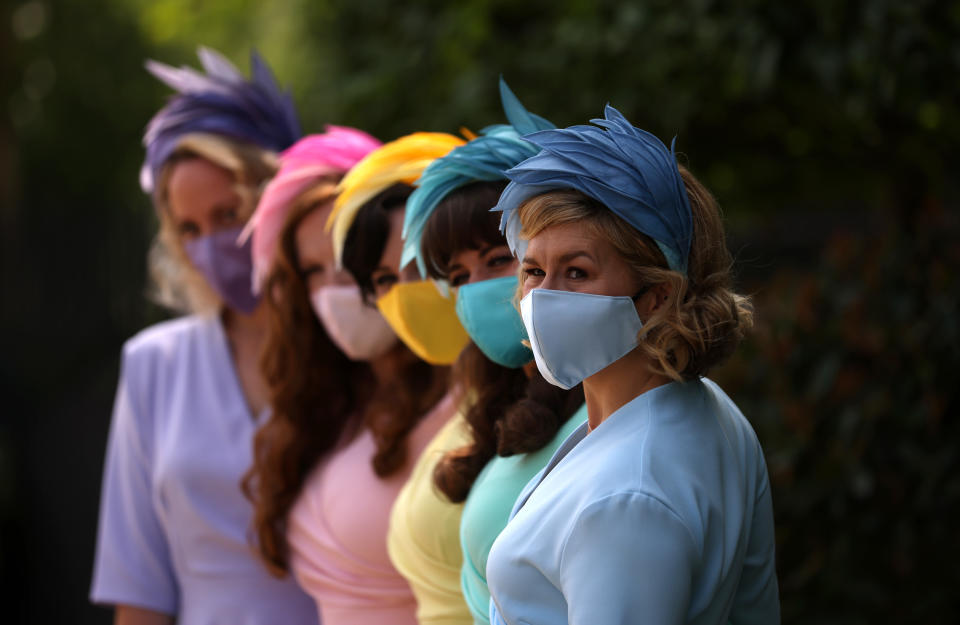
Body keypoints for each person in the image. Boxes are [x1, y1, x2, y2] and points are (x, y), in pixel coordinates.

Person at [486, 106, 780, 624]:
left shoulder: (626, 499)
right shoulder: (704, 411)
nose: (544, 297)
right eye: (534, 271)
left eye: (577, 272)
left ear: (656, 296)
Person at [90, 48, 318, 624]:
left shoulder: (350, 344)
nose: (211, 245)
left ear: (278, 194)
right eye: (189, 229)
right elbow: (139, 592)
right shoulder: (153, 366)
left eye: (228, 214)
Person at [242, 128, 454, 625]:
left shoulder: (463, 395)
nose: (334, 288)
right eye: (312, 271)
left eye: (344, 261)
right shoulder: (326, 409)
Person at [401, 80, 585, 625]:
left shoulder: (611, 402)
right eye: (458, 276)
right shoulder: (495, 402)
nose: (477, 288)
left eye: (496, 260)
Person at [327, 132, 475, 625]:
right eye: (385, 281)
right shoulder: (448, 410)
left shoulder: (560, 388)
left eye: (417, 266)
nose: (407, 293)